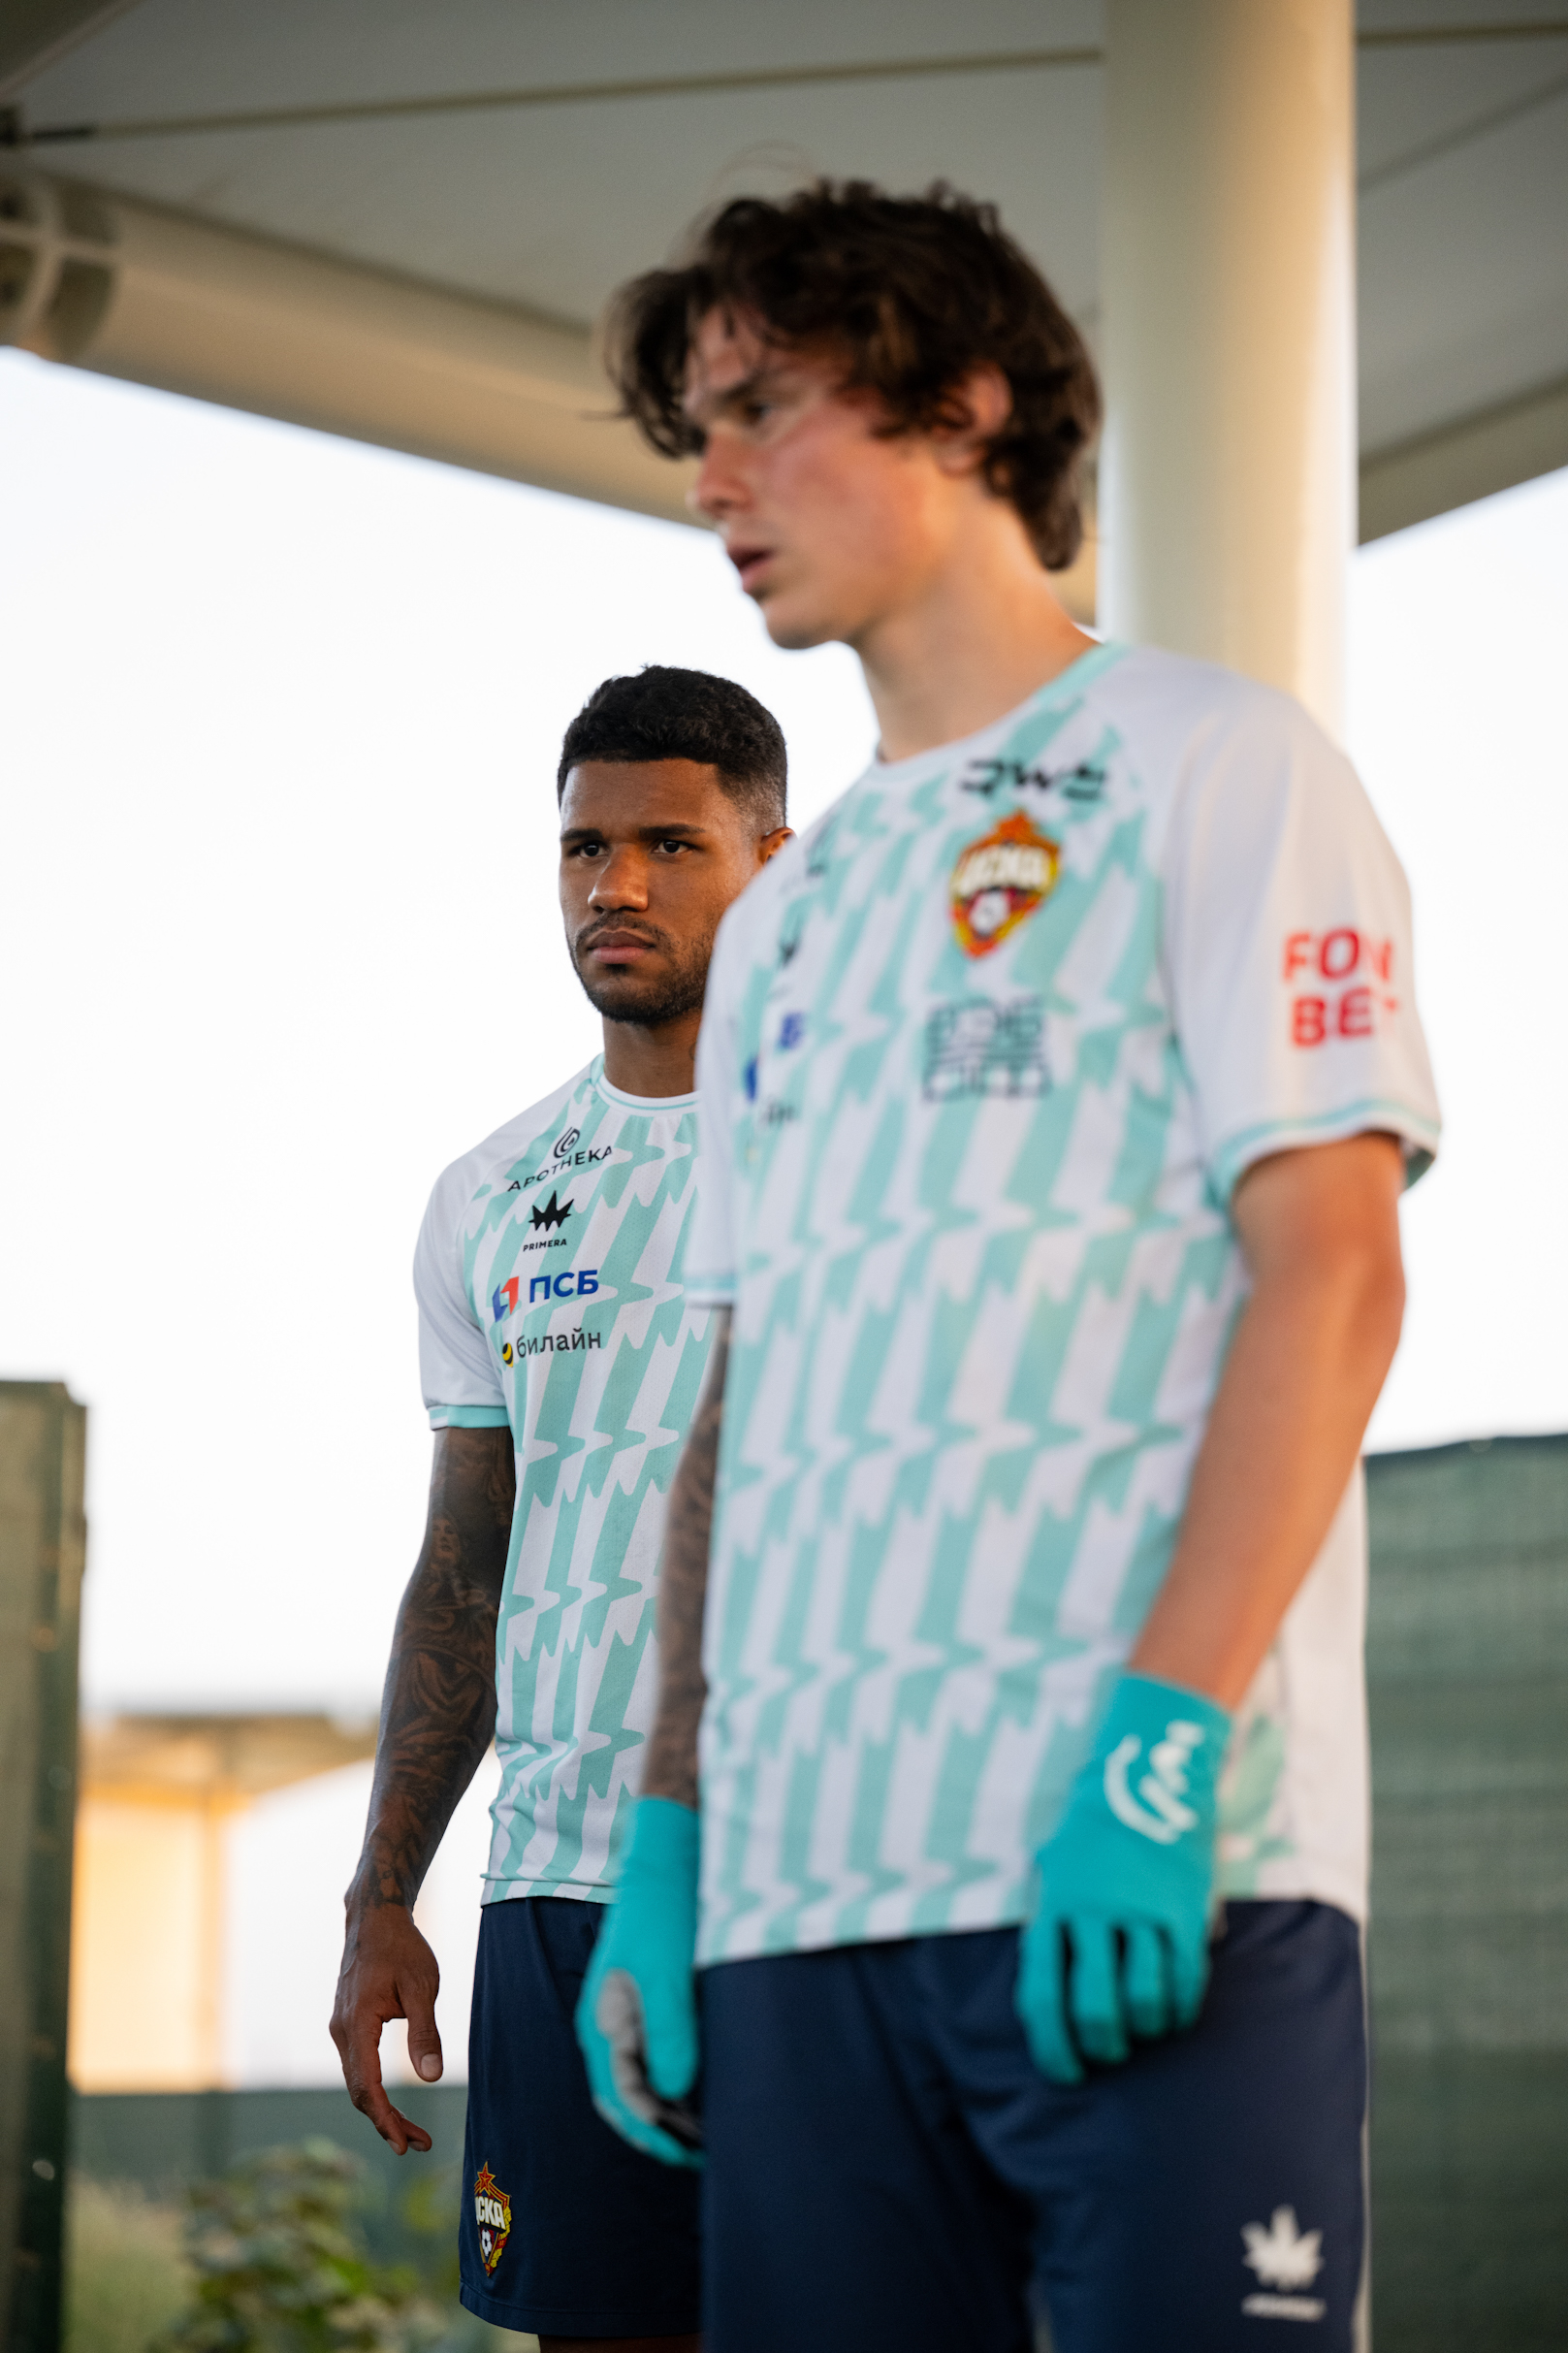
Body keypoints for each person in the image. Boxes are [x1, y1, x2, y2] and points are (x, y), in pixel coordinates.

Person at [574, 183, 1442, 2353]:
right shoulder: (785, 915)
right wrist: (667, 1835)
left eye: (764, 408)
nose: (713, 479)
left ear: (961, 405)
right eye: (697, 427)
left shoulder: (1218, 762)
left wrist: (1158, 1739)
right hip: (796, 1916)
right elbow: (736, 1407)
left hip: (1158, 1868)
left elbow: (1332, 1278)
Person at [330, 664, 791, 2350]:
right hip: (559, 1891)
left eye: (672, 844)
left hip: (823, 1882)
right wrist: (384, 1892)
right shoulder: (490, 1193)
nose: (618, 886)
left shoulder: (863, 1146)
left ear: (774, 864)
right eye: (587, 847)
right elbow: (464, 1569)